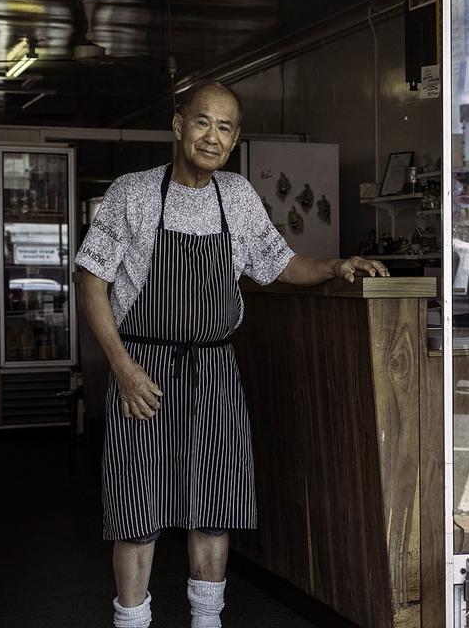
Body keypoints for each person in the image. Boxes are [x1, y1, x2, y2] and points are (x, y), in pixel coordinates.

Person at [75, 81, 389, 628]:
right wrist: (123, 370)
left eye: (225, 127)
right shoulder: (133, 193)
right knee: (135, 508)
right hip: (143, 371)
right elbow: (90, 279)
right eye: (202, 122)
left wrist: (337, 265)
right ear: (178, 125)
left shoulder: (238, 197)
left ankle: (207, 621)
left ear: (236, 137)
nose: (212, 137)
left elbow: (279, 263)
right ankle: (131, 623)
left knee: (213, 502)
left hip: (215, 369)